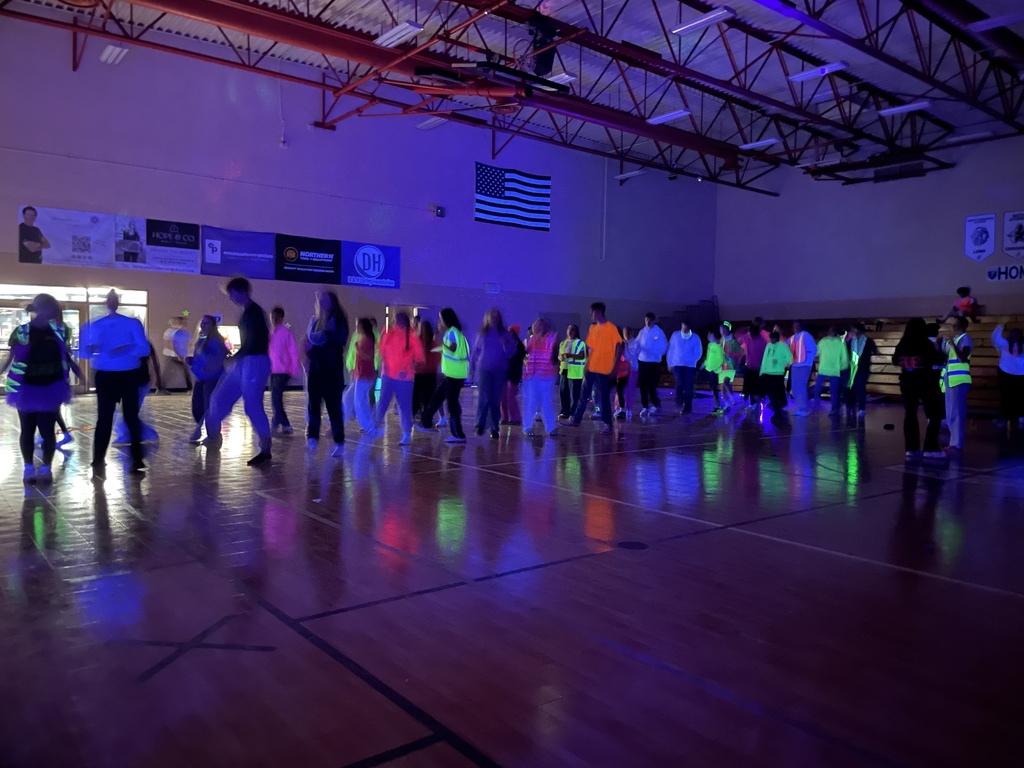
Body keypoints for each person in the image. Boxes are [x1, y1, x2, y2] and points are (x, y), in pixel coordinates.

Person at [4, 294, 82, 484]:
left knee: (41, 430)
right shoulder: (23, 332)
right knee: (33, 430)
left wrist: (80, 375)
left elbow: (67, 357)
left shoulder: (59, 331)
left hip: (48, 387)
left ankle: (39, 468)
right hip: (30, 388)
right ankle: (33, 468)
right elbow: (10, 358)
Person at [203, 277, 273, 466]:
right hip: (247, 361)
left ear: (241, 291)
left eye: (232, 294)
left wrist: (235, 356)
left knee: (251, 405)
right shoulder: (250, 313)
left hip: (254, 362)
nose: (231, 298)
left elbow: (255, 341)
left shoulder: (254, 313)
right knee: (219, 398)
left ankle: (266, 448)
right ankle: (213, 434)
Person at [81, 289, 150, 477]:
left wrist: (124, 348)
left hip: (116, 375)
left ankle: (102, 459)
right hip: (118, 375)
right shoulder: (124, 324)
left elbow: (144, 349)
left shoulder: (97, 325)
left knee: (116, 417)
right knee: (122, 417)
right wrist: (127, 348)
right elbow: (143, 349)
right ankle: (120, 458)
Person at [893, 318, 945, 460]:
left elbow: (894, 360)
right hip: (925, 383)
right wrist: (938, 347)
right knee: (935, 414)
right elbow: (939, 360)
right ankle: (931, 448)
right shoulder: (926, 344)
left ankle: (911, 449)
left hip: (907, 383)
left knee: (910, 414)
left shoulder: (902, 344)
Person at [305, 291, 349, 456]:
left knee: (333, 406)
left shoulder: (338, 318)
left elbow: (341, 339)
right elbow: (310, 341)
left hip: (331, 370)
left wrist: (331, 332)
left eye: (325, 300)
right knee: (314, 404)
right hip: (317, 368)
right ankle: (312, 438)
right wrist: (309, 355)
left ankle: (339, 441)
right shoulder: (315, 320)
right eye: (320, 300)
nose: (321, 303)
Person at [569, 303, 622, 435]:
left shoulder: (611, 328)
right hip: (592, 368)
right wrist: (587, 365)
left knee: (604, 397)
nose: (591, 315)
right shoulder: (592, 328)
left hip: (605, 369)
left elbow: (618, 347)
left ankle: (607, 423)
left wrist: (615, 367)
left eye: (592, 312)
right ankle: (576, 419)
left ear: (598, 312)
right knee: (584, 395)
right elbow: (590, 349)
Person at [419, 308, 469, 443]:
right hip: (453, 374)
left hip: (455, 375)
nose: (439, 322)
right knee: (437, 398)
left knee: (451, 403)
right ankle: (426, 423)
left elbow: (452, 349)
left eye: (441, 319)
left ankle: (458, 434)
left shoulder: (452, 333)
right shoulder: (454, 332)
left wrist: (441, 345)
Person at [376, 312, 425, 445]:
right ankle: (375, 426)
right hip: (388, 375)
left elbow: (420, 359)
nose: (398, 321)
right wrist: (384, 367)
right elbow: (381, 352)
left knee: (404, 406)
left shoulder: (412, 336)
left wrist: (409, 368)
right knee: (383, 402)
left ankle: (406, 433)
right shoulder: (388, 333)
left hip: (404, 378)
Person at [470, 308, 515, 439]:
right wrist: (471, 369)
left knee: (495, 399)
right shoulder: (482, 333)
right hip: (484, 368)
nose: (494, 318)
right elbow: (475, 352)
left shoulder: (504, 334)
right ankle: (480, 424)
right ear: (487, 318)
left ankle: (494, 427)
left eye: (496, 316)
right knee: (483, 397)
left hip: (499, 370)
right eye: (491, 316)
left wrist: (505, 346)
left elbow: (512, 351)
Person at [188, 314, 228, 444]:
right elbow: (199, 357)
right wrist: (192, 362)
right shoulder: (201, 339)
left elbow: (217, 357)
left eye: (206, 323)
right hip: (201, 377)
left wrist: (209, 365)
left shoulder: (216, 341)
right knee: (197, 407)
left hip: (212, 377)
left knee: (209, 406)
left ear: (212, 326)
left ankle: (213, 434)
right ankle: (201, 427)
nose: (203, 325)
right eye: (202, 322)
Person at [113, 342, 162, 445]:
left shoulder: (135, 343)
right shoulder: (143, 343)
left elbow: (154, 361)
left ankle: (132, 434)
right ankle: (144, 433)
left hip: (138, 380)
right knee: (129, 410)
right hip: (136, 380)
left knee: (129, 410)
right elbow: (154, 361)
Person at [522, 317, 559, 437]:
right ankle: (527, 427)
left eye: (538, 326)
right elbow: (525, 353)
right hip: (533, 376)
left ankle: (551, 428)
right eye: (535, 326)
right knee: (532, 402)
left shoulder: (551, 339)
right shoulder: (531, 340)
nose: (537, 328)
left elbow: (554, 355)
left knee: (546, 402)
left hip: (546, 376)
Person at [269, 306, 302, 434]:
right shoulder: (271, 333)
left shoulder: (286, 333)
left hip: (283, 371)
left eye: (276, 316)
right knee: (275, 398)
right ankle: (284, 424)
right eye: (272, 316)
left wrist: (293, 369)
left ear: (281, 318)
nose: (273, 319)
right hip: (274, 370)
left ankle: (278, 423)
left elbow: (293, 352)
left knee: (275, 397)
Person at [943, 317, 972, 455]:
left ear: (961, 326)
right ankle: (953, 442)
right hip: (950, 380)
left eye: (955, 325)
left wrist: (953, 346)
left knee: (958, 413)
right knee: (950, 412)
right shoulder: (953, 340)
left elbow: (963, 357)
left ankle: (957, 444)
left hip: (959, 380)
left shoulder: (965, 339)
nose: (953, 327)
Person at [991, 322, 1024, 429]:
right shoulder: (1021, 346)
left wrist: (1000, 326)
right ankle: (1020, 417)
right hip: (1020, 375)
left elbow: (994, 337)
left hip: (1005, 374)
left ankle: (1003, 418)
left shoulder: (1004, 344)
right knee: (1019, 397)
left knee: (1005, 397)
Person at [636, 312, 668, 416]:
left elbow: (664, 347)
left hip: (653, 363)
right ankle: (645, 406)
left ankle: (655, 404)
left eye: (649, 321)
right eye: (646, 320)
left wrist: (654, 352)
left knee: (651, 385)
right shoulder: (642, 332)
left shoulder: (658, 332)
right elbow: (637, 344)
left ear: (653, 321)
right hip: (643, 362)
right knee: (643, 385)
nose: (647, 323)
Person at [667, 320, 702, 414]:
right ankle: (678, 400)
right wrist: (669, 362)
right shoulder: (675, 336)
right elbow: (671, 349)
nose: (684, 330)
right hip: (677, 364)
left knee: (688, 385)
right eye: (683, 328)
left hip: (690, 366)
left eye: (686, 329)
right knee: (680, 381)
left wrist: (690, 360)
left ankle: (687, 406)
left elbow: (698, 352)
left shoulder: (695, 338)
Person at [846, 323, 878, 422]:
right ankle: (850, 406)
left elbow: (874, 350)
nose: (851, 332)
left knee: (860, 388)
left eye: (853, 330)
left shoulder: (868, 341)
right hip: (851, 368)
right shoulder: (851, 341)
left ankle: (861, 408)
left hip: (862, 369)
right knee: (850, 387)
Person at [351, 317, 378, 435]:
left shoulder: (366, 341)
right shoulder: (364, 340)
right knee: (363, 401)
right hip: (362, 374)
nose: (356, 328)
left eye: (358, 325)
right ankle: (368, 424)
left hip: (364, 375)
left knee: (359, 401)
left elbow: (369, 357)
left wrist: (358, 350)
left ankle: (367, 425)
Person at [815, 325, 849, 418]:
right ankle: (834, 409)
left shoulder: (823, 341)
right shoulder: (840, 343)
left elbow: (816, 353)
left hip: (824, 369)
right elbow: (844, 359)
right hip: (834, 370)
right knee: (833, 391)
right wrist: (842, 368)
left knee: (819, 389)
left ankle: (818, 406)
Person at [760, 330, 793, 416]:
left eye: (773, 339)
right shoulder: (768, 345)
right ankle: (777, 404)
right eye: (771, 338)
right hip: (767, 372)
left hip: (777, 372)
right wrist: (762, 371)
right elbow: (764, 359)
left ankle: (778, 406)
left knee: (777, 389)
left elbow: (790, 358)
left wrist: (781, 363)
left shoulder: (783, 346)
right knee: (770, 390)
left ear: (777, 338)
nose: (772, 340)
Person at [788, 320, 817, 416]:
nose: (794, 328)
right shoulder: (792, 338)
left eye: (796, 325)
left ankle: (804, 409)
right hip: (795, 365)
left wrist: (808, 361)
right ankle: (799, 408)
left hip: (804, 365)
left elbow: (813, 350)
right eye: (793, 326)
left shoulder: (806, 336)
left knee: (801, 387)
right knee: (795, 387)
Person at [413, 320, 441, 419]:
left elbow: (437, 357)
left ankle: (425, 418)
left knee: (427, 398)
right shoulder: (417, 343)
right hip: (419, 374)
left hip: (429, 374)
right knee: (416, 399)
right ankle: (418, 415)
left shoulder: (433, 344)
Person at [558, 324, 586, 420]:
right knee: (563, 391)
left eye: (572, 329)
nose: (570, 331)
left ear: (576, 331)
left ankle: (573, 413)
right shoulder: (563, 343)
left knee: (574, 394)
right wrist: (560, 357)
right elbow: (559, 355)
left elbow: (582, 356)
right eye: (569, 328)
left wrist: (570, 355)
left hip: (574, 372)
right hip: (564, 370)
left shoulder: (580, 343)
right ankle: (565, 411)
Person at [501, 324, 526, 426]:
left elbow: (520, 356)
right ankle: (504, 417)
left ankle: (516, 418)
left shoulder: (519, 345)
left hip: (513, 373)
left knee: (510, 396)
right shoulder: (505, 344)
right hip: (504, 373)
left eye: (511, 332)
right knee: (502, 396)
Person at [741, 322, 768, 410]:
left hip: (758, 369)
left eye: (752, 334)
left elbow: (765, 357)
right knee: (750, 388)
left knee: (756, 389)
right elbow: (739, 341)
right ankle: (754, 404)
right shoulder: (748, 338)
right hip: (749, 368)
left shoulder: (762, 342)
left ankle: (758, 402)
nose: (750, 335)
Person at [162, 316, 192, 392]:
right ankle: (190, 388)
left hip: (179, 355)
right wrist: (178, 354)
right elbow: (169, 344)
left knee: (185, 370)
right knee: (169, 372)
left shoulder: (183, 332)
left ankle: (190, 387)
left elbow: (189, 343)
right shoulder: (171, 332)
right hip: (172, 355)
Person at [703, 329, 730, 413]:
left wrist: (714, 368)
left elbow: (720, 359)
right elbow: (708, 357)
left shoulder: (719, 346)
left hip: (717, 371)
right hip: (709, 370)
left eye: (710, 335)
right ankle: (717, 405)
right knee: (713, 389)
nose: (708, 337)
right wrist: (706, 365)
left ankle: (726, 404)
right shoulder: (710, 345)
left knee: (721, 388)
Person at [615, 326, 638, 420]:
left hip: (631, 369)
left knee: (629, 390)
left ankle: (628, 409)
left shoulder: (634, 343)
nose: (626, 334)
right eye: (625, 333)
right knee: (619, 390)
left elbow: (629, 357)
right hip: (620, 370)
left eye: (628, 332)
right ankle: (618, 408)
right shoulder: (620, 343)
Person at [720, 322, 744, 409]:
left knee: (726, 381)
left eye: (723, 329)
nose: (721, 331)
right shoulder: (721, 340)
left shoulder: (733, 341)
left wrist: (733, 358)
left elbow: (740, 352)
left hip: (731, 366)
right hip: (723, 365)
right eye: (720, 329)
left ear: (727, 330)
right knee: (722, 385)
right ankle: (726, 403)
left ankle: (731, 398)